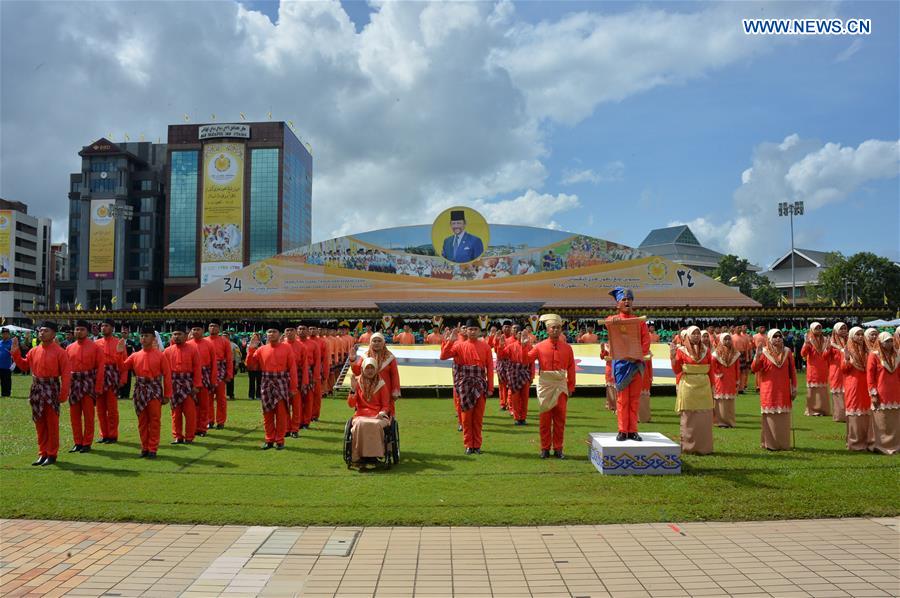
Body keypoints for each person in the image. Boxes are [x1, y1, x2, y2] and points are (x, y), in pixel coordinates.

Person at [11, 322, 70, 466]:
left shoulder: (60, 352)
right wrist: (16, 353)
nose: (42, 333)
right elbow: (25, 366)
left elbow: (66, 375)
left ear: (54, 334)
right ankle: (42, 453)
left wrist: (63, 394)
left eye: (46, 331)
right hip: (37, 387)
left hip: (51, 388)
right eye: (41, 330)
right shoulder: (34, 351)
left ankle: (51, 454)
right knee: (39, 422)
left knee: (52, 423)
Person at [521, 314, 575, 459]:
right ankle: (544, 448)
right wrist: (524, 345)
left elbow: (571, 368)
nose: (556, 330)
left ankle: (558, 448)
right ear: (547, 330)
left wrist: (570, 387)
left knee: (560, 419)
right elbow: (526, 359)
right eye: (553, 328)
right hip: (545, 385)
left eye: (558, 328)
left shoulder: (567, 348)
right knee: (545, 419)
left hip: (561, 385)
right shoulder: (539, 346)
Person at [118, 324, 173, 458]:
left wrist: (167, 395)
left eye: (147, 336)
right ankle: (144, 447)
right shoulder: (135, 355)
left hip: (154, 388)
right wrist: (120, 353)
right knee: (142, 421)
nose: (143, 338)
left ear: (154, 338)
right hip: (140, 389)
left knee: (154, 420)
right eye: (142, 336)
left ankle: (153, 448)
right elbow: (122, 367)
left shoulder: (160, 355)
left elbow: (167, 375)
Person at [441, 319, 493, 454]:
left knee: (478, 417)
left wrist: (490, 387)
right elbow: (443, 356)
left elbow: (490, 368)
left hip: (480, 383)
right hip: (464, 385)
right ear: (466, 331)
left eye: (475, 329)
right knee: (466, 417)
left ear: (479, 331)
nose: (473, 331)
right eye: (470, 329)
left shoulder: (486, 347)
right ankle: (469, 445)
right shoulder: (459, 345)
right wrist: (450, 341)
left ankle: (477, 445)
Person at [605, 287, 651, 441]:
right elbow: (607, 323)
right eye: (623, 299)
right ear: (618, 304)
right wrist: (613, 321)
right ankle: (622, 430)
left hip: (636, 364)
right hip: (621, 366)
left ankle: (633, 430)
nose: (627, 302)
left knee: (634, 399)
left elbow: (646, 341)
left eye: (629, 299)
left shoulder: (639, 322)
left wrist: (636, 355)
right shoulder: (614, 319)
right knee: (622, 399)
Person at [246, 327, 297, 450]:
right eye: (269, 332)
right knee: (267, 413)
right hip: (266, 382)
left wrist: (293, 388)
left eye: (274, 331)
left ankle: (279, 440)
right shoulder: (261, 349)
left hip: (281, 381)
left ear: (279, 334)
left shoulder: (287, 348)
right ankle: (269, 439)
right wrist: (251, 349)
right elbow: (251, 365)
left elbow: (292, 369)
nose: (271, 334)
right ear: (266, 335)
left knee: (281, 413)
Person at [672, 326, 715, 454]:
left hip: (704, 385)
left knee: (704, 417)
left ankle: (704, 446)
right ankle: (688, 446)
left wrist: (713, 386)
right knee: (689, 416)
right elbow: (676, 370)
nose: (696, 336)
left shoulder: (706, 350)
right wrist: (672, 357)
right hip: (688, 385)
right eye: (693, 333)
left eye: (698, 333)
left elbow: (711, 369)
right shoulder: (681, 351)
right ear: (688, 336)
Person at [752, 329, 797, 450]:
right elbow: (755, 368)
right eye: (775, 336)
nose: (778, 338)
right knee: (770, 416)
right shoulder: (764, 352)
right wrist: (757, 355)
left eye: (780, 336)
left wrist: (794, 387)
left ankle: (783, 443)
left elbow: (792, 371)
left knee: (782, 416)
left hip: (783, 389)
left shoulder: (787, 352)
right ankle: (770, 444)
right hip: (768, 390)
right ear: (770, 339)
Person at [64, 320, 105, 453]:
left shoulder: (95, 347)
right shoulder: (69, 348)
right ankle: (77, 442)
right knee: (74, 415)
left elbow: (100, 368)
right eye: (77, 329)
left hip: (88, 383)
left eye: (82, 329)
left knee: (88, 415)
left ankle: (87, 442)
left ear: (87, 331)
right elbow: (65, 369)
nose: (79, 332)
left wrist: (98, 387)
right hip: (74, 383)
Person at [347, 357, 393, 464]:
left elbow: (386, 405)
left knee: (376, 425)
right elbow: (351, 404)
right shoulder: (357, 382)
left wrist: (382, 413)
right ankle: (359, 456)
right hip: (360, 415)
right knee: (359, 424)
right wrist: (353, 390)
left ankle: (374, 455)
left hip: (378, 415)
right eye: (367, 368)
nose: (370, 371)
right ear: (363, 369)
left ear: (376, 369)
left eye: (372, 368)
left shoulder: (381, 384)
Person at [163, 324, 202, 445]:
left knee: (190, 412)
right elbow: (164, 371)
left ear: (185, 336)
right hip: (173, 383)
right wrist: (166, 389)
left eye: (179, 334)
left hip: (188, 384)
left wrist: (196, 385)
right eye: (175, 334)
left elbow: (197, 368)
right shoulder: (167, 351)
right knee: (176, 413)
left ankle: (189, 437)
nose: (177, 336)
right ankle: (177, 436)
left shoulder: (193, 349)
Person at [350, 332, 401, 416]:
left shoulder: (390, 357)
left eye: (379, 341)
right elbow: (357, 371)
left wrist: (395, 391)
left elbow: (394, 375)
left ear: (383, 342)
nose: (376, 343)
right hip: (367, 389)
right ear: (370, 342)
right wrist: (352, 360)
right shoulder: (365, 356)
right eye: (374, 341)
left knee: (387, 411)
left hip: (386, 389)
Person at [842, 327, 874, 452]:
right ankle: (854, 442)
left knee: (867, 411)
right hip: (853, 385)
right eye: (857, 334)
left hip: (866, 384)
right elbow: (844, 369)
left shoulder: (868, 350)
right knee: (855, 411)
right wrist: (846, 358)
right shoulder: (847, 349)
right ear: (852, 336)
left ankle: (868, 440)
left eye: (862, 334)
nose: (860, 337)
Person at [867, 332, 899, 455]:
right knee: (882, 421)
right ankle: (881, 445)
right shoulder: (874, 356)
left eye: (891, 341)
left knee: (894, 420)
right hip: (881, 393)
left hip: (895, 392)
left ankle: (895, 444)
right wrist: (873, 394)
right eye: (886, 341)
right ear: (880, 342)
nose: (890, 344)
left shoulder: (896, 356)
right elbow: (870, 377)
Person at [495, 327, 534, 425]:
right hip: (514, 374)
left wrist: (532, 376)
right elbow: (501, 356)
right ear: (516, 335)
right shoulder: (511, 346)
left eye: (523, 333)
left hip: (525, 373)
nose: (521, 335)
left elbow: (532, 363)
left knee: (525, 397)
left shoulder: (530, 347)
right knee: (515, 397)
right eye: (519, 333)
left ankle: (523, 418)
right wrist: (500, 346)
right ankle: (517, 417)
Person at [93, 319, 123, 444]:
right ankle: (103, 434)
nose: (103, 328)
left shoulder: (118, 342)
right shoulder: (96, 343)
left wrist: (122, 379)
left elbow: (123, 361)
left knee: (111, 408)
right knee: (100, 407)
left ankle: (112, 434)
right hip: (99, 374)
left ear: (112, 328)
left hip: (112, 374)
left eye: (106, 326)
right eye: (102, 326)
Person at [187, 324, 218, 437]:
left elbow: (214, 364)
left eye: (198, 329)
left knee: (204, 404)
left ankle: (202, 428)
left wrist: (213, 380)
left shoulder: (208, 344)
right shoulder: (188, 344)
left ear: (203, 331)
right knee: (193, 404)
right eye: (193, 329)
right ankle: (194, 427)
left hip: (205, 375)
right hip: (191, 377)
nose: (195, 331)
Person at [282, 326, 310, 438]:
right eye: (287, 330)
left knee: (296, 404)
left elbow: (305, 366)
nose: (289, 332)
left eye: (291, 330)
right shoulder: (282, 345)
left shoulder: (301, 347)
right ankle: (287, 428)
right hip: (283, 377)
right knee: (284, 405)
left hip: (297, 376)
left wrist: (304, 382)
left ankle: (295, 429)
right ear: (284, 333)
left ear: (295, 333)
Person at [800, 322, 832, 417]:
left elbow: (826, 356)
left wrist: (828, 348)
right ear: (812, 329)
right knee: (813, 390)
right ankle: (812, 410)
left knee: (822, 390)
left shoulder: (825, 339)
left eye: (819, 328)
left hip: (823, 368)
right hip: (813, 368)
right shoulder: (809, 340)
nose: (818, 330)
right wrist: (806, 343)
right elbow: (803, 354)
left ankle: (823, 410)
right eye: (816, 328)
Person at [207, 321, 233, 430]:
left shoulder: (225, 342)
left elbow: (229, 359)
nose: (213, 328)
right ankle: (209, 420)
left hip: (220, 370)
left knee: (221, 398)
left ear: (219, 328)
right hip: (206, 371)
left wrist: (229, 374)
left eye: (215, 326)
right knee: (207, 398)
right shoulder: (204, 341)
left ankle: (221, 421)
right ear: (208, 328)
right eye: (211, 326)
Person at [711, 332, 740, 428]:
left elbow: (737, 368)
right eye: (725, 339)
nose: (727, 341)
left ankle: (730, 422)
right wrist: (718, 373)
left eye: (729, 339)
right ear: (721, 340)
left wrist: (737, 380)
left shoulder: (735, 353)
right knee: (720, 401)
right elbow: (712, 366)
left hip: (731, 379)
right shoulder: (716, 353)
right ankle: (721, 422)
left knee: (730, 402)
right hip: (720, 379)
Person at [297, 323, 321, 429]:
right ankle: (297, 421)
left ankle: (306, 421)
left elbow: (317, 362)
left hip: (309, 371)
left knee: (308, 398)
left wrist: (316, 377)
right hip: (295, 372)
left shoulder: (313, 344)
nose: (302, 331)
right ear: (296, 331)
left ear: (307, 332)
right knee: (296, 399)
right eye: (300, 329)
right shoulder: (292, 343)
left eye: (304, 329)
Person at [827, 322, 849, 422]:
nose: (844, 330)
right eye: (841, 329)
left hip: (848, 370)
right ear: (836, 330)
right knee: (838, 393)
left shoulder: (850, 341)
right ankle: (839, 416)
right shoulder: (831, 343)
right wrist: (827, 348)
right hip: (836, 371)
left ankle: (849, 414)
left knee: (848, 392)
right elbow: (825, 357)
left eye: (845, 328)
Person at [308, 324, 328, 422]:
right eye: (310, 328)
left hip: (317, 369)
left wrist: (325, 372)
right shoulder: (303, 341)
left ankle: (315, 415)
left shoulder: (322, 342)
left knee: (316, 395)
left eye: (313, 328)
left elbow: (325, 359)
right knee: (307, 395)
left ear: (317, 330)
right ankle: (306, 415)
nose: (312, 330)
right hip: (305, 370)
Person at [600, 341, 616, 412]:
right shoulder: (607, 345)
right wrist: (602, 349)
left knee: (616, 385)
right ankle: (611, 404)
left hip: (617, 366)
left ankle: (616, 404)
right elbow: (602, 357)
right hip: (609, 367)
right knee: (609, 385)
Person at [0, 327, 13, 397]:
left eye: (6, 334)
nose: (5, 335)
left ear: (9, 334)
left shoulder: (11, 343)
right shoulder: (0, 343)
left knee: (6, 381)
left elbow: (15, 353)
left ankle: (6, 394)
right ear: (2, 334)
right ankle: (2, 394)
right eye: (4, 333)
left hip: (7, 366)